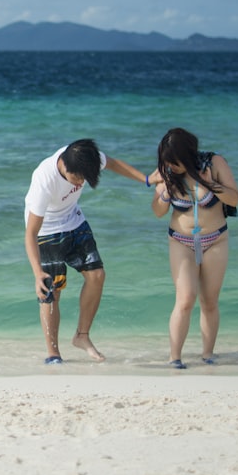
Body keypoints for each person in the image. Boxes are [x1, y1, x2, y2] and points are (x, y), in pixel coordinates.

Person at [24, 139, 148, 364]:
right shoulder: (44, 180)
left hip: (74, 221)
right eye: (78, 178)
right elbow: (30, 233)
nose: (81, 182)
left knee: (97, 276)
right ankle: (53, 353)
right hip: (47, 230)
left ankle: (82, 336)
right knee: (51, 290)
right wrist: (37, 274)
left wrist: (147, 179)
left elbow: (113, 164)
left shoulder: (86, 156)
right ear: (64, 166)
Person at [150, 128, 238, 369]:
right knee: (185, 298)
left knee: (209, 300)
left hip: (216, 239)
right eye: (167, 161)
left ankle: (208, 354)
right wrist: (165, 195)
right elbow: (158, 212)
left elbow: (234, 198)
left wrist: (212, 185)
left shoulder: (214, 163)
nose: (171, 166)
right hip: (181, 241)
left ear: (188, 155)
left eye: (175, 161)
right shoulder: (166, 173)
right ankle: (174, 357)